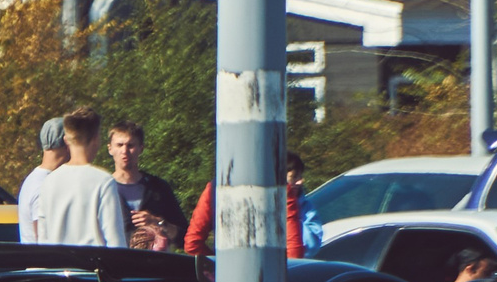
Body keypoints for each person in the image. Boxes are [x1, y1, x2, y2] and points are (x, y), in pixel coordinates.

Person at [184, 150, 315, 258]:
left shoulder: (213, 188)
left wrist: (217, 267)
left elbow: (192, 243)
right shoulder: (280, 189)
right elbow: (294, 249)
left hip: (226, 281)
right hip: (269, 279)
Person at [31, 107, 127, 248]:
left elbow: (43, 240)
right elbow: (115, 243)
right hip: (91, 268)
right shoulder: (103, 181)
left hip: (58, 267)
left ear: (66, 140)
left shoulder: (49, 182)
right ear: (95, 139)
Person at [106, 121, 188, 252]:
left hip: (154, 267)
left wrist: (159, 223)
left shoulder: (158, 188)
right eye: (119, 145)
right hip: (115, 267)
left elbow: (185, 238)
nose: (124, 151)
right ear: (110, 149)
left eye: (130, 145)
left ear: (141, 148)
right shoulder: (104, 189)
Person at [13, 116, 67, 248]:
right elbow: (43, 241)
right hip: (46, 267)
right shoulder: (44, 185)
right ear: (67, 142)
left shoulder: (33, 179)